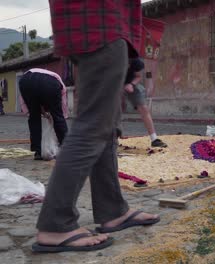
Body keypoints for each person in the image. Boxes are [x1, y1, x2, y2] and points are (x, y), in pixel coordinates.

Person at [32, 0, 159, 253]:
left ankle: (113, 210)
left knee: (106, 123)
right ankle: (56, 224)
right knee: (93, 124)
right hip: (101, 22)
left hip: (91, 23)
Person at [18, 68, 69, 160]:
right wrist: (62, 117)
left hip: (26, 81)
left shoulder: (29, 76)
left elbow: (25, 102)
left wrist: (31, 112)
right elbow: (63, 105)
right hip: (49, 83)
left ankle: (38, 152)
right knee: (58, 116)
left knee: (34, 118)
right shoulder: (60, 84)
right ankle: (66, 149)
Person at [123, 58, 167, 147]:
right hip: (113, 82)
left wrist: (131, 84)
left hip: (130, 83)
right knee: (111, 108)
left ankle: (154, 139)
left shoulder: (136, 61)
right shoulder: (112, 56)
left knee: (143, 108)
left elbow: (140, 75)